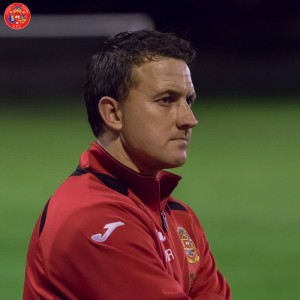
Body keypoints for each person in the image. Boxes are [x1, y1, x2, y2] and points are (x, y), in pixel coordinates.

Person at [23, 30, 231, 300]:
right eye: (167, 100)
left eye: (188, 100)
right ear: (113, 113)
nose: (189, 119)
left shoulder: (180, 216)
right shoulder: (92, 219)